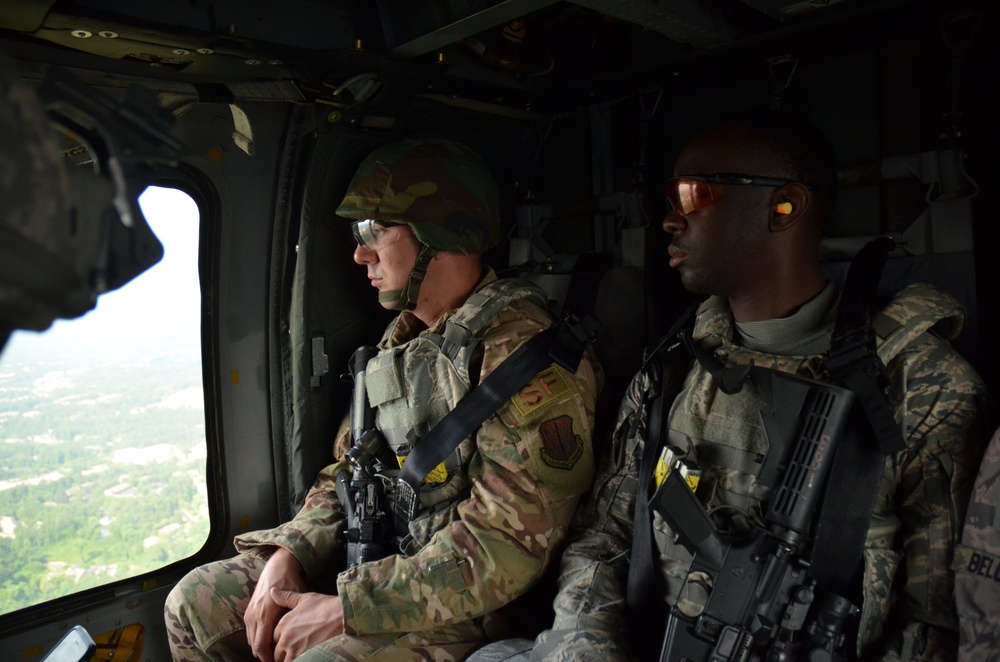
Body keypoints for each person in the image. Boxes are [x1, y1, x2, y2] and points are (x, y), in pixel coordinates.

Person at [529, 111, 988, 661]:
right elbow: (602, 543)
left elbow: (935, 622)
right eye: (669, 200)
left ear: (784, 206)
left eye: (693, 195)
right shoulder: (669, 369)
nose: (671, 221)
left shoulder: (922, 384)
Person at [164, 139, 602, 661]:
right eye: (358, 233)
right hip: (384, 567)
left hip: (472, 606)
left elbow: (501, 550)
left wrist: (348, 608)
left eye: (376, 230)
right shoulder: (402, 344)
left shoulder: (527, 360)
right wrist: (291, 551)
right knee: (195, 603)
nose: (359, 253)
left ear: (440, 233)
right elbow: (345, 475)